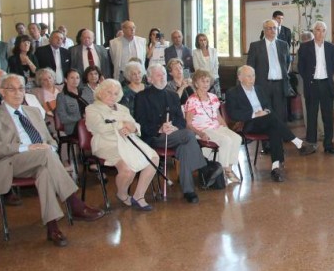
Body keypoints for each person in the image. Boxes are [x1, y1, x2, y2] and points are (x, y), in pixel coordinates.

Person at [0, 74, 106, 247]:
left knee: (45, 170)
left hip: (40, 159)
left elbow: (50, 140)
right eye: (12, 89)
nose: (18, 93)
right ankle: (74, 202)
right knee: (46, 154)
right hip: (10, 161)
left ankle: (52, 226)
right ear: (2, 91)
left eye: (21, 88)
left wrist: (50, 147)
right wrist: (27, 148)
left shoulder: (33, 112)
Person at [135, 63, 219, 204]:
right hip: (155, 137)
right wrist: (159, 129)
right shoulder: (142, 97)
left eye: (163, 74)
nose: (162, 77)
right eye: (158, 74)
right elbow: (140, 123)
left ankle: (189, 191)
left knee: (186, 146)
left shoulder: (173, 95)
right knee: (189, 135)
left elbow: (181, 122)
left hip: (176, 136)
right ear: (149, 79)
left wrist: (174, 127)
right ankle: (204, 168)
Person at [225, 66, 316, 183]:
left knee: (274, 127)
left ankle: (276, 168)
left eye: (253, 75)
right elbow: (233, 114)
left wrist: (266, 112)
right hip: (249, 123)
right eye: (248, 76)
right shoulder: (232, 92)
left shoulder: (259, 89)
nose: (252, 78)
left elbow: (268, 106)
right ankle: (297, 143)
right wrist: (254, 114)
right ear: (240, 77)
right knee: (273, 120)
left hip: (266, 120)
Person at [86, 79, 159, 211]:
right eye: (109, 92)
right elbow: (99, 128)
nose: (112, 96)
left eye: (115, 93)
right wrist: (121, 125)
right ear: (100, 92)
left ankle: (139, 196)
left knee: (154, 158)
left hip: (128, 141)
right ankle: (122, 194)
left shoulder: (123, 108)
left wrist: (132, 128)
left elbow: (135, 125)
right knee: (127, 170)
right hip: (106, 142)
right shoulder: (92, 109)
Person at [184, 70, 241, 184]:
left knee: (237, 138)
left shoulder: (213, 97)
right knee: (226, 141)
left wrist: (226, 128)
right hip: (203, 130)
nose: (206, 84)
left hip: (216, 127)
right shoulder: (192, 100)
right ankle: (225, 170)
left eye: (207, 81)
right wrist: (200, 134)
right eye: (202, 81)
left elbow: (218, 116)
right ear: (196, 83)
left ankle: (228, 167)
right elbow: (188, 124)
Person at [297, 21, 334, 155]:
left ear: (326, 32)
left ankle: (328, 145)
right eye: (318, 30)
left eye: (323, 30)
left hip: (326, 85)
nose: (320, 33)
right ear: (314, 32)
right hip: (312, 85)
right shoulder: (304, 47)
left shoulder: (331, 47)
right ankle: (311, 144)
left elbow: (332, 67)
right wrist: (309, 80)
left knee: (328, 117)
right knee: (312, 116)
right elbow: (301, 68)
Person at [247, 19, 292, 130]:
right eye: (269, 28)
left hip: (280, 85)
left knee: (280, 114)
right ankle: (266, 143)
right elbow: (250, 67)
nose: (273, 30)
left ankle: (279, 140)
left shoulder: (283, 45)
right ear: (264, 30)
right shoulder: (255, 46)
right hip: (263, 85)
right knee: (265, 113)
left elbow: (286, 63)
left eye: (274, 28)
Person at [55, 69, 94, 136]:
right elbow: (63, 118)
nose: (75, 80)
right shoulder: (62, 97)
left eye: (77, 78)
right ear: (66, 80)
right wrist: (82, 117)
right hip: (74, 126)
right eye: (72, 78)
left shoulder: (86, 91)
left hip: (91, 122)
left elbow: (95, 106)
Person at [192, 33, 221, 98]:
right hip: (202, 80)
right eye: (200, 40)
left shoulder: (214, 50)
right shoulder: (195, 52)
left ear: (207, 41)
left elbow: (216, 65)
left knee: (215, 99)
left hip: (214, 78)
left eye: (204, 39)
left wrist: (211, 77)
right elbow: (196, 67)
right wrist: (205, 78)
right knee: (204, 98)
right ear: (197, 42)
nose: (203, 42)